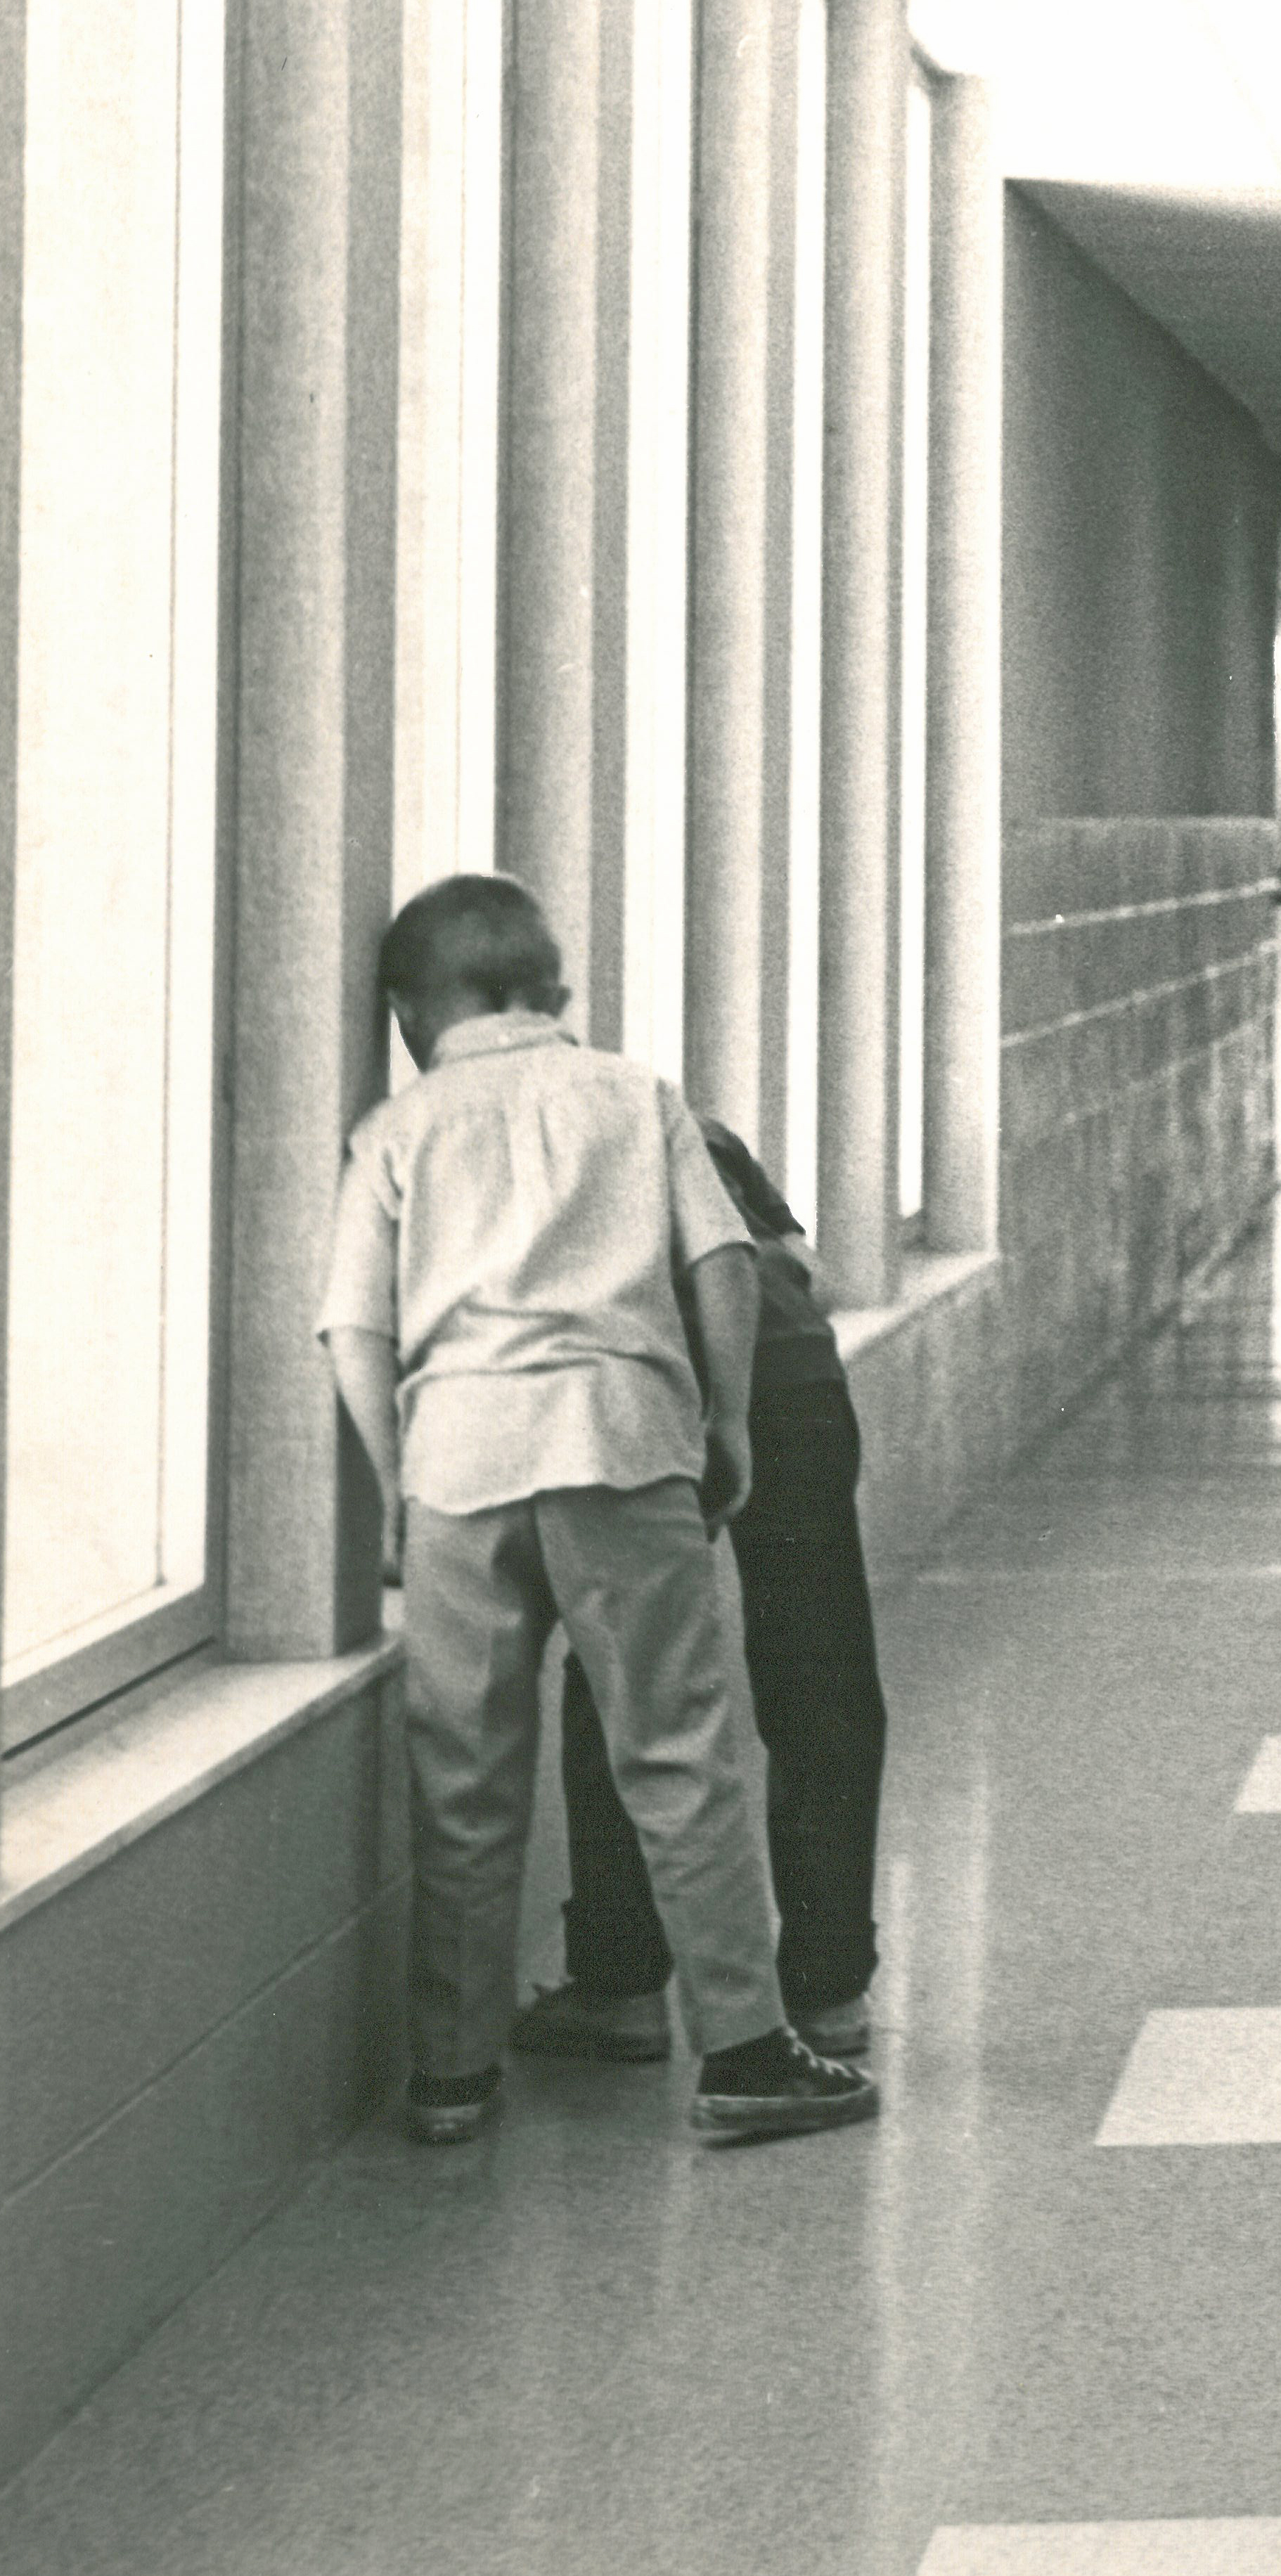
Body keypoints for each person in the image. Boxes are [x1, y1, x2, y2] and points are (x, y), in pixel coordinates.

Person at [317, 875, 875, 2147]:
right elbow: (723, 1261)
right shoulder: (633, 1095)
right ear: (554, 992)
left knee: (461, 1777)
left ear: (413, 1007)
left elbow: (353, 1326)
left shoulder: (395, 1130)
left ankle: (452, 2076)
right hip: (622, 1449)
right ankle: (744, 2052)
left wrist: (398, 1473)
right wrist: (723, 1422)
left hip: (460, 1463)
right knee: (677, 1750)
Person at [508, 1114, 891, 2066]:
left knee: (622, 1678)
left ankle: (620, 1981)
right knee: (820, 1680)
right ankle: (829, 1991)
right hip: (794, 1380)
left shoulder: (468, 1145)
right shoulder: (685, 1122)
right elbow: (810, 1272)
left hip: (650, 1396)